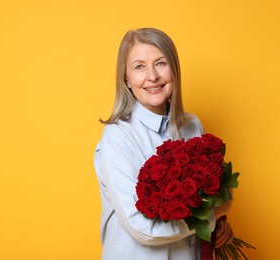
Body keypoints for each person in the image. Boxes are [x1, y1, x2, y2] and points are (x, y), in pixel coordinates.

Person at [94, 28, 234, 260]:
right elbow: (142, 228)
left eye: (161, 63)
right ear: (126, 79)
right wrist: (212, 215)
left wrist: (218, 226)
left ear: (174, 70)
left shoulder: (192, 126)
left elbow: (207, 198)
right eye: (139, 66)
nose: (152, 76)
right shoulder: (117, 138)